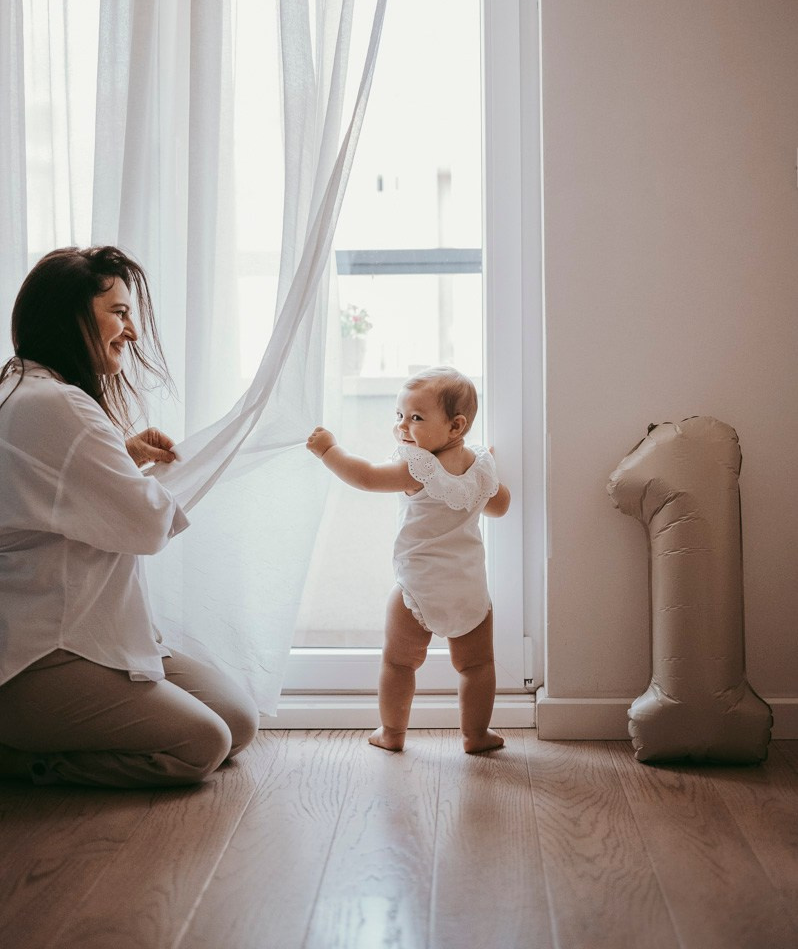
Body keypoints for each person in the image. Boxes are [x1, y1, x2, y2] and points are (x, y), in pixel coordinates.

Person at [0, 246, 259, 788]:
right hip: (41, 657)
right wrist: (191, 471)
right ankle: (17, 757)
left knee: (236, 720)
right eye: (118, 312)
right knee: (202, 745)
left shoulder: (27, 393)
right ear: (71, 316)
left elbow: (54, 487)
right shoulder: (58, 406)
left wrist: (119, 454)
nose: (132, 332)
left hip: (81, 638)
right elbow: (145, 528)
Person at [307, 365, 511, 754]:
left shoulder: (417, 467)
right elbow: (500, 507)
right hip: (470, 590)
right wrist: (487, 477)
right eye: (399, 415)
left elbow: (366, 476)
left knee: (399, 665)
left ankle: (392, 733)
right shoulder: (480, 466)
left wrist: (329, 451)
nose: (402, 426)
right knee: (477, 667)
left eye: (416, 418)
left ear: (456, 426)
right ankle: (476, 735)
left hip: (418, 589)